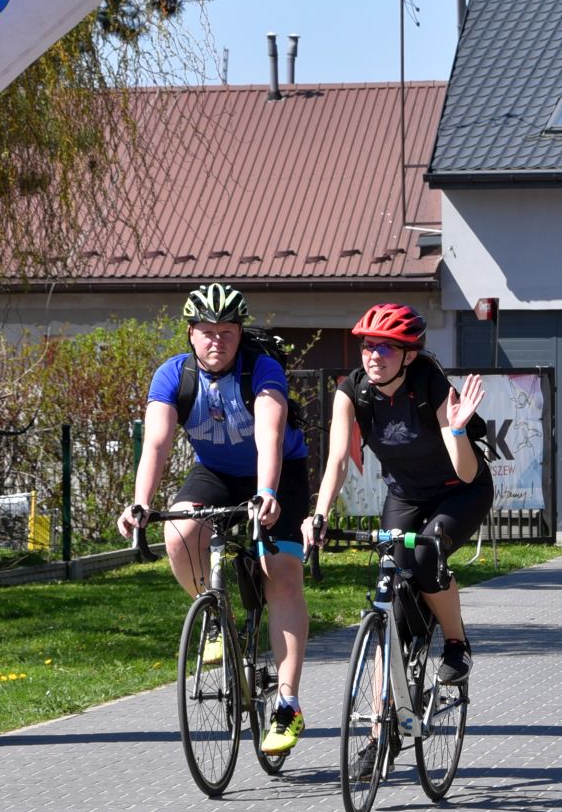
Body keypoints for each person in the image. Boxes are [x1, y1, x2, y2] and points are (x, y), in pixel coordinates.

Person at [118, 283, 312, 757]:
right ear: (191, 333)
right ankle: (215, 617)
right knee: (179, 532)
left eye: (227, 332)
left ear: (240, 334)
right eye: (207, 331)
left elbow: (269, 435)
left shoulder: (261, 369)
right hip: (217, 472)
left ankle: (287, 706)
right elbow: (157, 443)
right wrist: (140, 502)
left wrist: (267, 492)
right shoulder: (173, 375)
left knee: (280, 574)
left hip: (278, 472)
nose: (216, 341)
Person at [301, 303, 490, 698]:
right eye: (369, 346)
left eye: (386, 348)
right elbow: (338, 460)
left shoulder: (431, 387)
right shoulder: (353, 391)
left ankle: (456, 644)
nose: (375, 356)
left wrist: (457, 431)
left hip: (459, 493)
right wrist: (319, 514)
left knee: (425, 557)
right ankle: (378, 724)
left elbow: (466, 472)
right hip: (406, 494)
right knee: (392, 598)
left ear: (409, 355)